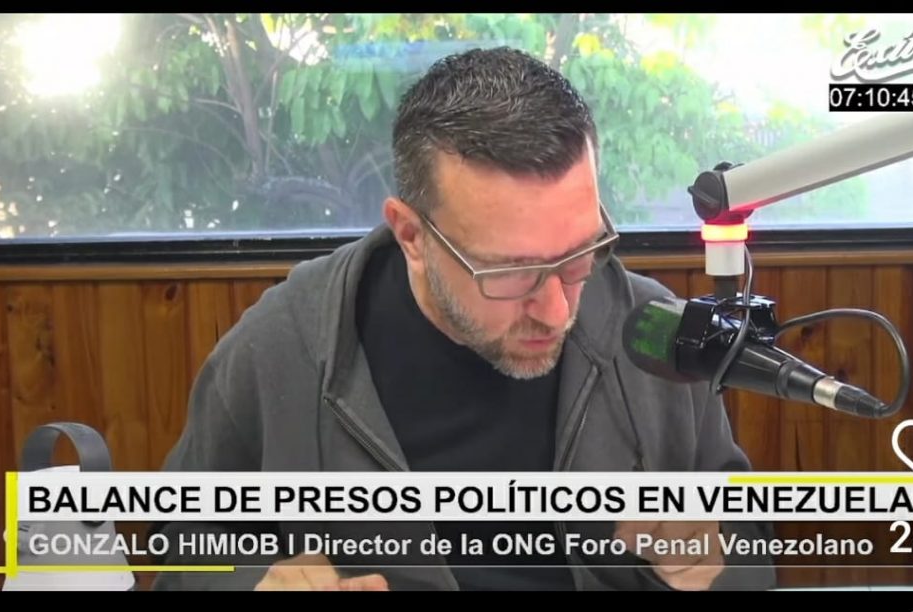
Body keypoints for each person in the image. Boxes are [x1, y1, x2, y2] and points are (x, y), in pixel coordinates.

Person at [150, 46, 776, 592]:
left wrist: (713, 557)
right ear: (411, 235)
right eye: (510, 271)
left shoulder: (653, 333)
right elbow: (178, 550)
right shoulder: (284, 345)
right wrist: (249, 581)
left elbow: (750, 549)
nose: (558, 310)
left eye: (580, 254)